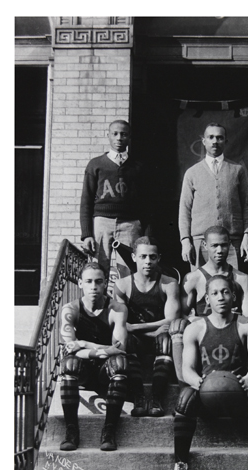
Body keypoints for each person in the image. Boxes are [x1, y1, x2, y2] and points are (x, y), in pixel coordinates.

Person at [170, 274, 248, 470]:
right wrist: (200, 383)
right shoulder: (196, 328)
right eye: (215, 293)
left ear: (234, 296)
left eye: (226, 291)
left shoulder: (247, 325)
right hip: (207, 395)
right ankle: (180, 465)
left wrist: (246, 380)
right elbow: (187, 370)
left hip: (237, 394)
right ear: (207, 299)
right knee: (185, 398)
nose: (221, 297)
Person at [59, 262, 134, 452]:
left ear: (105, 283)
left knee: (120, 362)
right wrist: (101, 349)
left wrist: (83, 343)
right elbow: (70, 349)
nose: (94, 287)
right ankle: (71, 430)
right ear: (80, 283)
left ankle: (109, 431)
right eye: (89, 281)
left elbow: (119, 349)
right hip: (83, 371)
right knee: (69, 364)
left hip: (105, 371)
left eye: (98, 282)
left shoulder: (117, 309)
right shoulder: (70, 309)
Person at [170, 225, 248, 384]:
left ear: (230, 244)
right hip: (204, 333)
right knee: (178, 326)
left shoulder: (242, 279)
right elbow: (182, 314)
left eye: (223, 245)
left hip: (232, 331)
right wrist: (197, 320)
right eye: (214, 245)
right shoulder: (193, 278)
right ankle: (186, 385)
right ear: (204, 245)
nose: (220, 250)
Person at [113, 236, 180, 416]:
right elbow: (121, 324)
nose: (147, 262)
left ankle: (156, 398)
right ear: (134, 257)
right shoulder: (122, 285)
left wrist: (135, 327)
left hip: (160, 338)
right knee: (125, 338)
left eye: (152, 257)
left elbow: (171, 319)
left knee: (166, 339)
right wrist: (142, 330)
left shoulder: (169, 283)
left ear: (159, 258)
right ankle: (139, 397)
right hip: (137, 339)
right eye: (143, 257)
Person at [178, 122, 248, 270]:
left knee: (232, 285)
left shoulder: (237, 170)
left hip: (231, 241)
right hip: (201, 242)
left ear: (225, 141)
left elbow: (247, 206)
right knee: (202, 285)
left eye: (219, 138)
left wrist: (247, 235)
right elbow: (184, 210)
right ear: (204, 141)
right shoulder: (192, 173)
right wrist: (185, 241)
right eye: (210, 137)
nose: (215, 141)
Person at [80, 120, 147, 275]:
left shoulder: (138, 166)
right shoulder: (96, 164)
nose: (119, 138)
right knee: (97, 269)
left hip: (130, 224)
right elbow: (86, 201)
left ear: (129, 137)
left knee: (128, 270)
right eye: (115, 134)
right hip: (102, 223)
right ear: (108, 135)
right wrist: (87, 234)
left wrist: (146, 234)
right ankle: (99, 300)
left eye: (123, 134)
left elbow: (146, 203)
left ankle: (123, 300)